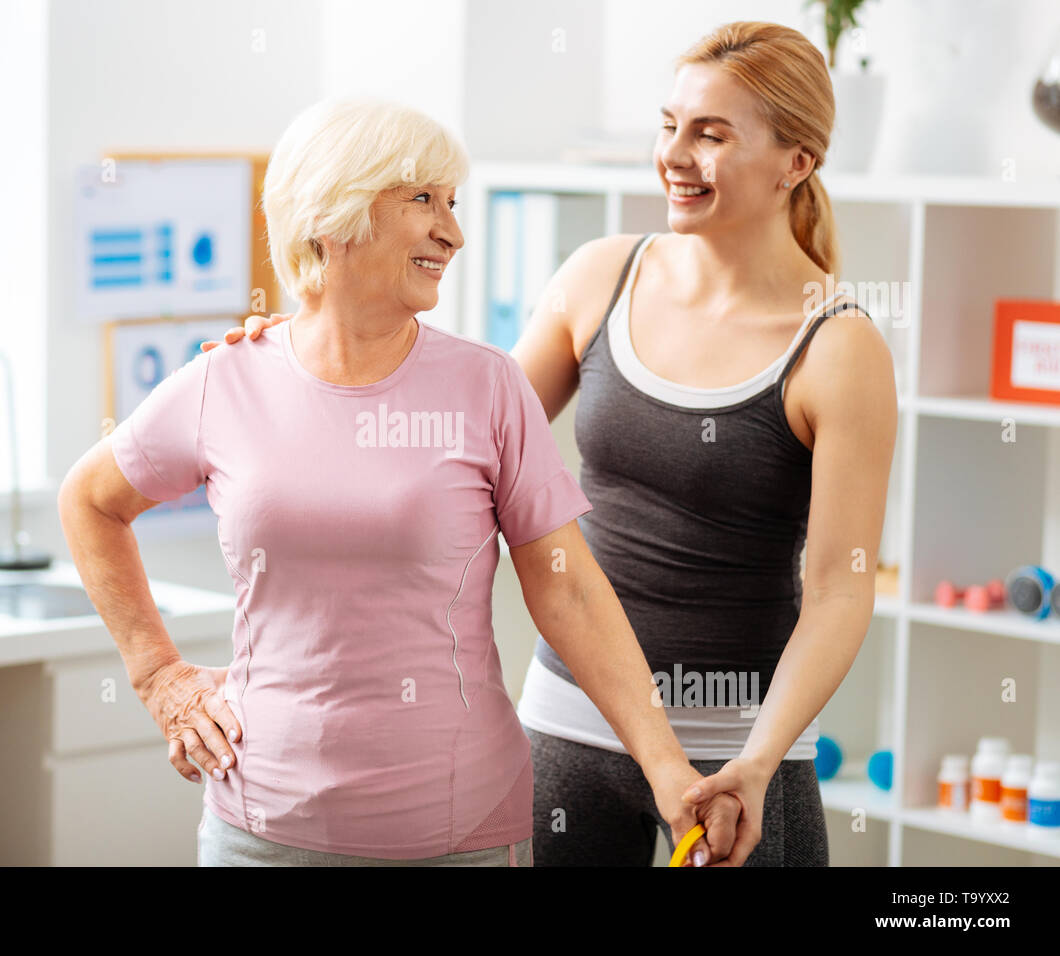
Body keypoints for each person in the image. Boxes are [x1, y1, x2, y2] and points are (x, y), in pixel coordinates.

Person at [214, 21, 898, 867]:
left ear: (796, 162)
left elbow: (839, 591)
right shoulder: (599, 278)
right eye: (669, 125)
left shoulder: (838, 345)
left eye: (711, 135)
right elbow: (450, 434)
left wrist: (756, 762)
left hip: (739, 752)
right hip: (570, 728)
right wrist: (302, 351)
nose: (675, 155)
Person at [59, 96, 740, 867]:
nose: (452, 231)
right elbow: (89, 501)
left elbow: (570, 589)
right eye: (423, 199)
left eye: (452, 203)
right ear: (332, 207)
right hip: (260, 826)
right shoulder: (226, 379)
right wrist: (158, 676)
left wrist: (667, 767)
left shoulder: (488, 387)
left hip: (459, 830)